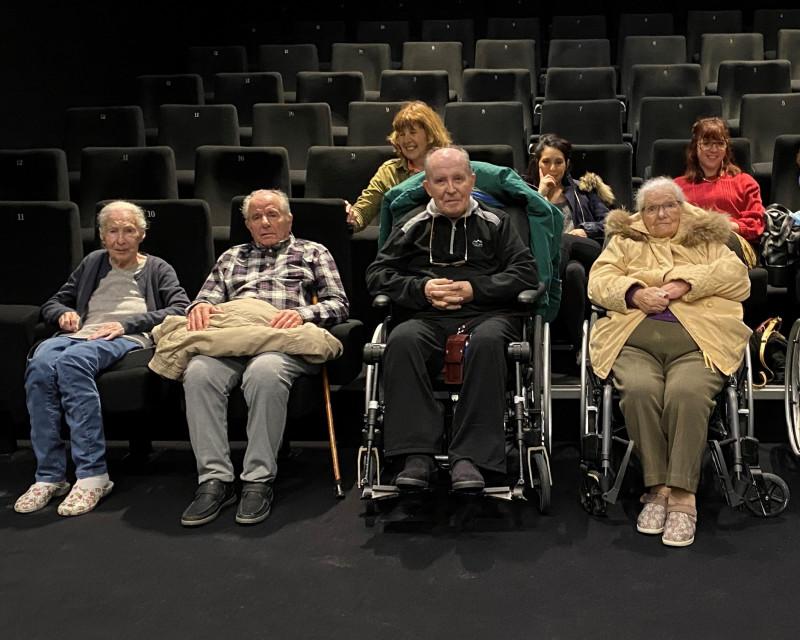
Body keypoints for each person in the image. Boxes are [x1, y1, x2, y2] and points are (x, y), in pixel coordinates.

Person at [587, 176, 751, 547]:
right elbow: (598, 281)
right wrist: (635, 292)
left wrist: (682, 284)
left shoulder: (706, 237)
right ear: (640, 214)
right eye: (651, 208)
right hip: (634, 341)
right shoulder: (625, 239)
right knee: (641, 391)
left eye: (669, 206)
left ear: (682, 206)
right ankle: (657, 486)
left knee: (687, 393)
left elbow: (737, 278)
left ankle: (682, 497)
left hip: (699, 342)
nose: (661, 214)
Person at [365, 147, 539, 492]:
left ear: (471, 181)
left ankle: (470, 458)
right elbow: (377, 274)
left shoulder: (497, 222)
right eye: (440, 181)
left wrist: (476, 289)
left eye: (458, 179)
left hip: (485, 315)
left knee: (488, 343)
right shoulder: (412, 224)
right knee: (401, 341)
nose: (450, 188)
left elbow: (526, 274)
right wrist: (422, 288)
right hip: (426, 315)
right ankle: (417, 455)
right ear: (427, 186)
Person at [179, 188, 349, 527]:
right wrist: (198, 307)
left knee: (265, 372)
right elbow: (205, 300)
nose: (265, 222)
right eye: (256, 217)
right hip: (232, 337)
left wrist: (303, 314)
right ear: (247, 224)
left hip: (281, 339)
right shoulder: (231, 257)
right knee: (198, 371)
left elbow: (339, 304)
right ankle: (214, 480)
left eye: (272, 214)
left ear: (288, 219)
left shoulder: (313, 252)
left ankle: (257, 479)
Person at [15, 201, 190, 516]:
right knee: (40, 363)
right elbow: (53, 302)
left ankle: (93, 473)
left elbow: (180, 308)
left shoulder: (157, 267)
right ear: (102, 235)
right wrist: (64, 313)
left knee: (71, 363)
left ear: (141, 234)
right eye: (113, 231)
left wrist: (127, 324)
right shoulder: (93, 262)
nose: (120, 239)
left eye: (128, 231)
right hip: (82, 333)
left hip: (125, 336)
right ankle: (50, 475)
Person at [526, 133, 614, 358]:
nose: (552, 168)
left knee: (564, 240)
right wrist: (541, 196)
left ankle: (544, 301)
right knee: (574, 271)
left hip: (586, 248)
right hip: (557, 260)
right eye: (546, 162)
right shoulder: (526, 191)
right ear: (537, 162)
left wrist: (585, 229)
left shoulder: (582, 189)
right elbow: (523, 226)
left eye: (558, 162)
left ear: (567, 164)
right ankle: (580, 346)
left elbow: (609, 222)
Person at [345, 100, 452, 232]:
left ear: (430, 136)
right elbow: (364, 210)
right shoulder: (389, 171)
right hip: (401, 245)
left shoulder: (451, 166)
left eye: (413, 132)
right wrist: (351, 217)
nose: (406, 140)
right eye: (401, 134)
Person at [674, 117, 765, 265]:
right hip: (690, 249)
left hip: (733, 247)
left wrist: (718, 227)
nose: (713, 149)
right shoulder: (677, 187)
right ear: (695, 147)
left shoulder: (745, 182)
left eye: (719, 143)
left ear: (726, 148)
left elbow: (756, 223)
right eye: (706, 143)